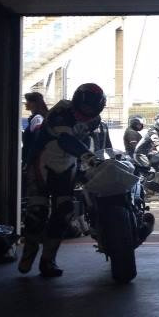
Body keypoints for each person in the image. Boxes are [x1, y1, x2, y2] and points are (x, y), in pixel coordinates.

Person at [19, 83, 107, 277]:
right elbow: (65, 140)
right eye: (85, 107)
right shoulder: (62, 111)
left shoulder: (95, 120)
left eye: (92, 108)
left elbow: (87, 140)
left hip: (67, 165)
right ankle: (29, 252)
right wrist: (89, 157)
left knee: (64, 211)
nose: (88, 112)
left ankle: (48, 260)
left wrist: (90, 162)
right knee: (37, 212)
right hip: (42, 162)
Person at [21, 92, 49, 170]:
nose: (26, 103)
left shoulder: (37, 119)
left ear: (35, 103)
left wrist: (28, 162)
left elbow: (35, 142)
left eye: (28, 101)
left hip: (33, 162)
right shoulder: (38, 118)